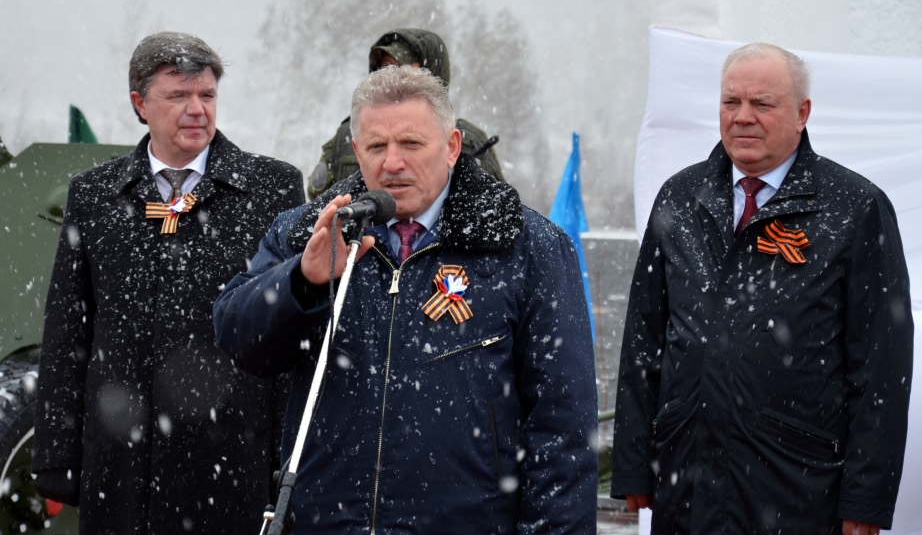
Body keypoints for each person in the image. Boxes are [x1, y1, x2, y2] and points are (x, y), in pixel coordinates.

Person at [214, 65, 598, 533]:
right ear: (357, 152)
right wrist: (304, 279)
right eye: (376, 146)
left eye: (411, 144)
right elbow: (239, 339)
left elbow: (563, 427)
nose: (392, 163)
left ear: (452, 147)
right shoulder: (309, 233)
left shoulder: (525, 246)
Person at [610, 43, 913, 535]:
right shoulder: (681, 198)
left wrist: (865, 500)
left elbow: (882, 367)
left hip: (796, 487)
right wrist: (632, 463)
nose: (743, 117)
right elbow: (644, 338)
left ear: (802, 113)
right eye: (731, 103)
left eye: (762, 104)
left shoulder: (856, 210)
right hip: (684, 481)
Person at [32, 31, 306, 534]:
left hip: (231, 452)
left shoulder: (273, 188)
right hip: (121, 457)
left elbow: (289, 331)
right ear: (140, 103)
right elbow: (68, 329)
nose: (196, 109)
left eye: (206, 95)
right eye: (178, 96)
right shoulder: (93, 196)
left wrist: (288, 459)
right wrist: (57, 451)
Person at [307, 28, 504, 199]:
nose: (392, 163)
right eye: (387, 67)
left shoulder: (470, 141)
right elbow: (319, 198)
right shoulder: (349, 134)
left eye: (412, 143)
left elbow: (495, 209)